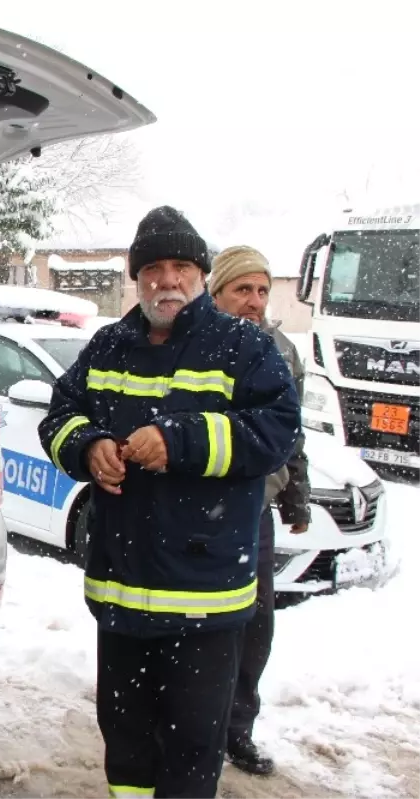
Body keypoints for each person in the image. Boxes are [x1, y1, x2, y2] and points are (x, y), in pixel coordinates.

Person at [38, 206, 300, 799]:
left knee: (189, 753)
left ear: (201, 274)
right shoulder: (108, 345)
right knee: (125, 745)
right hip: (120, 592)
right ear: (136, 277)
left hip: (203, 600)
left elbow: (279, 429)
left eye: (180, 265)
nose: (167, 279)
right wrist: (87, 444)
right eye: (153, 267)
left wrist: (180, 441)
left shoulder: (241, 346)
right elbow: (59, 414)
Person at [209, 245, 310, 777]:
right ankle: (177, 720)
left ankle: (236, 729)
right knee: (195, 624)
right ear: (217, 293)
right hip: (196, 510)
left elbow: (292, 434)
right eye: (241, 289)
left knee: (255, 624)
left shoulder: (282, 351)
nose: (254, 301)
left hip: (254, 513)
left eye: (262, 291)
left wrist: (296, 494)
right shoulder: (195, 344)